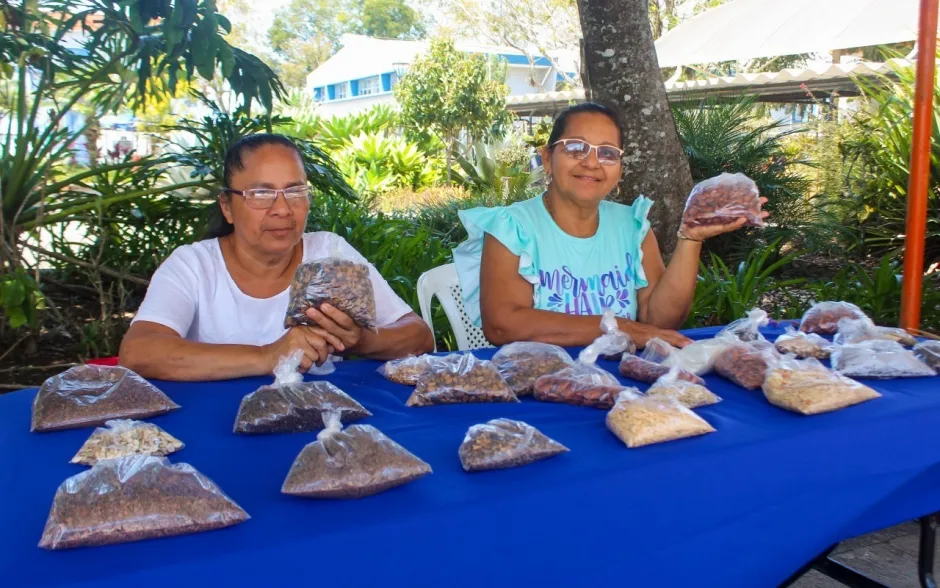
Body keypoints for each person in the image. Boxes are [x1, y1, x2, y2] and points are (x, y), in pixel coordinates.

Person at [120, 133, 434, 381]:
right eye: (261, 193)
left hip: (323, 424)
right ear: (227, 206)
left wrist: (359, 340)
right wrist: (268, 355)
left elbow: (419, 337)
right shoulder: (194, 265)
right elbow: (139, 352)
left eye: (295, 191)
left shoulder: (329, 254)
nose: (282, 209)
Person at [453, 102, 767, 349]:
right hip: (537, 384)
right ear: (547, 158)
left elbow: (659, 321)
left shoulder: (631, 226)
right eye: (575, 147)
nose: (591, 162)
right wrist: (618, 326)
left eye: (607, 153)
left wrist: (691, 238)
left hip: (621, 384)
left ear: (619, 169)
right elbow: (503, 325)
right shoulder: (513, 226)